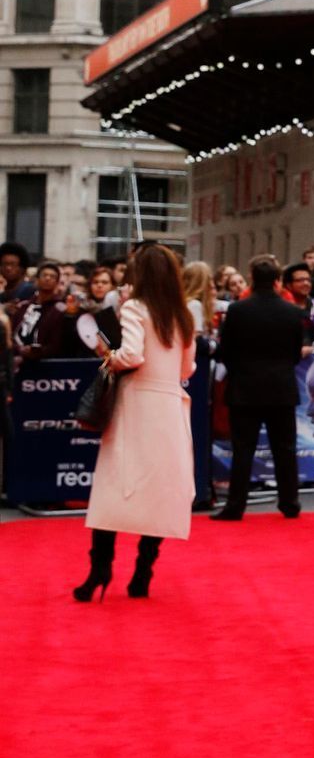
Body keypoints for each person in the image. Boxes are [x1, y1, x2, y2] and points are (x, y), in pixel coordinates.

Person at [71, 242, 196, 602]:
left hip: (137, 404)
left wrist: (109, 357)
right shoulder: (183, 313)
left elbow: (132, 354)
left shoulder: (135, 308)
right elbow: (187, 368)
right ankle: (142, 574)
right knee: (159, 491)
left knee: (114, 485)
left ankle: (99, 571)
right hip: (169, 406)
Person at [213, 255, 308, 520]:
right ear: (278, 281)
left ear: (252, 280)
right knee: (285, 449)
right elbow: (294, 353)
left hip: (245, 388)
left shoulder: (238, 311)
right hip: (281, 388)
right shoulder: (292, 312)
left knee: (243, 449)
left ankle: (235, 506)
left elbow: (226, 351)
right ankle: (290, 503)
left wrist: (240, 371)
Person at [12, 262, 68, 372]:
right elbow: (11, 335)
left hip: (46, 366)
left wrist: (39, 351)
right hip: (16, 359)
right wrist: (19, 349)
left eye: (52, 276)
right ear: (37, 279)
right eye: (44, 275)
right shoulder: (23, 307)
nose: (47, 278)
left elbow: (57, 343)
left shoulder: (60, 309)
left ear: (57, 282)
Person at [64, 264, 123, 358]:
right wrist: (70, 313)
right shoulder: (81, 307)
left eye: (104, 282)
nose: (99, 285)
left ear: (112, 286)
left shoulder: (120, 309)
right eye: (95, 282)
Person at [182, 260, 217, 337]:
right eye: (209, 279)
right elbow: (196, 340)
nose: (212, 284)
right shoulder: (194, 305)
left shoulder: (187, 303)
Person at [0, 240, 34, 310]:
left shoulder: (30, 290)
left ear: (22, 268)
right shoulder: (3, 293)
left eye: (13, 264)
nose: (8, 268)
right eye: (5, 264)